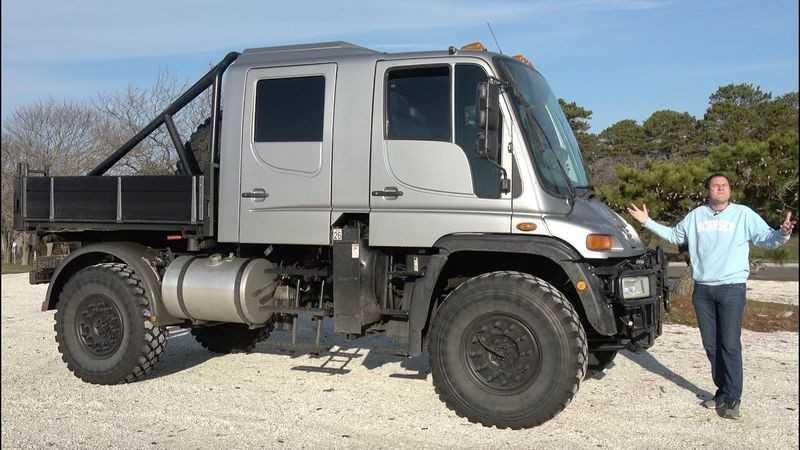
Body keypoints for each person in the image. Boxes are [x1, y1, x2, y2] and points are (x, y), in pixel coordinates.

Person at [627, 173, 795, 420]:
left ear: (730, 190)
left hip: (731, 288)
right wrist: (647, 221)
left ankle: (733, 398)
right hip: (703, 290)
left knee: (729, 343)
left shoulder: (743, 214)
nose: (720, 188)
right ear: (708, 190)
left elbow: (768, 239)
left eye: (724, 185)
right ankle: (722, 390)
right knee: (711, 345)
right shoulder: (696, 216)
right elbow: (675, 235)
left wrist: (783, 233)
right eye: (716, 185)